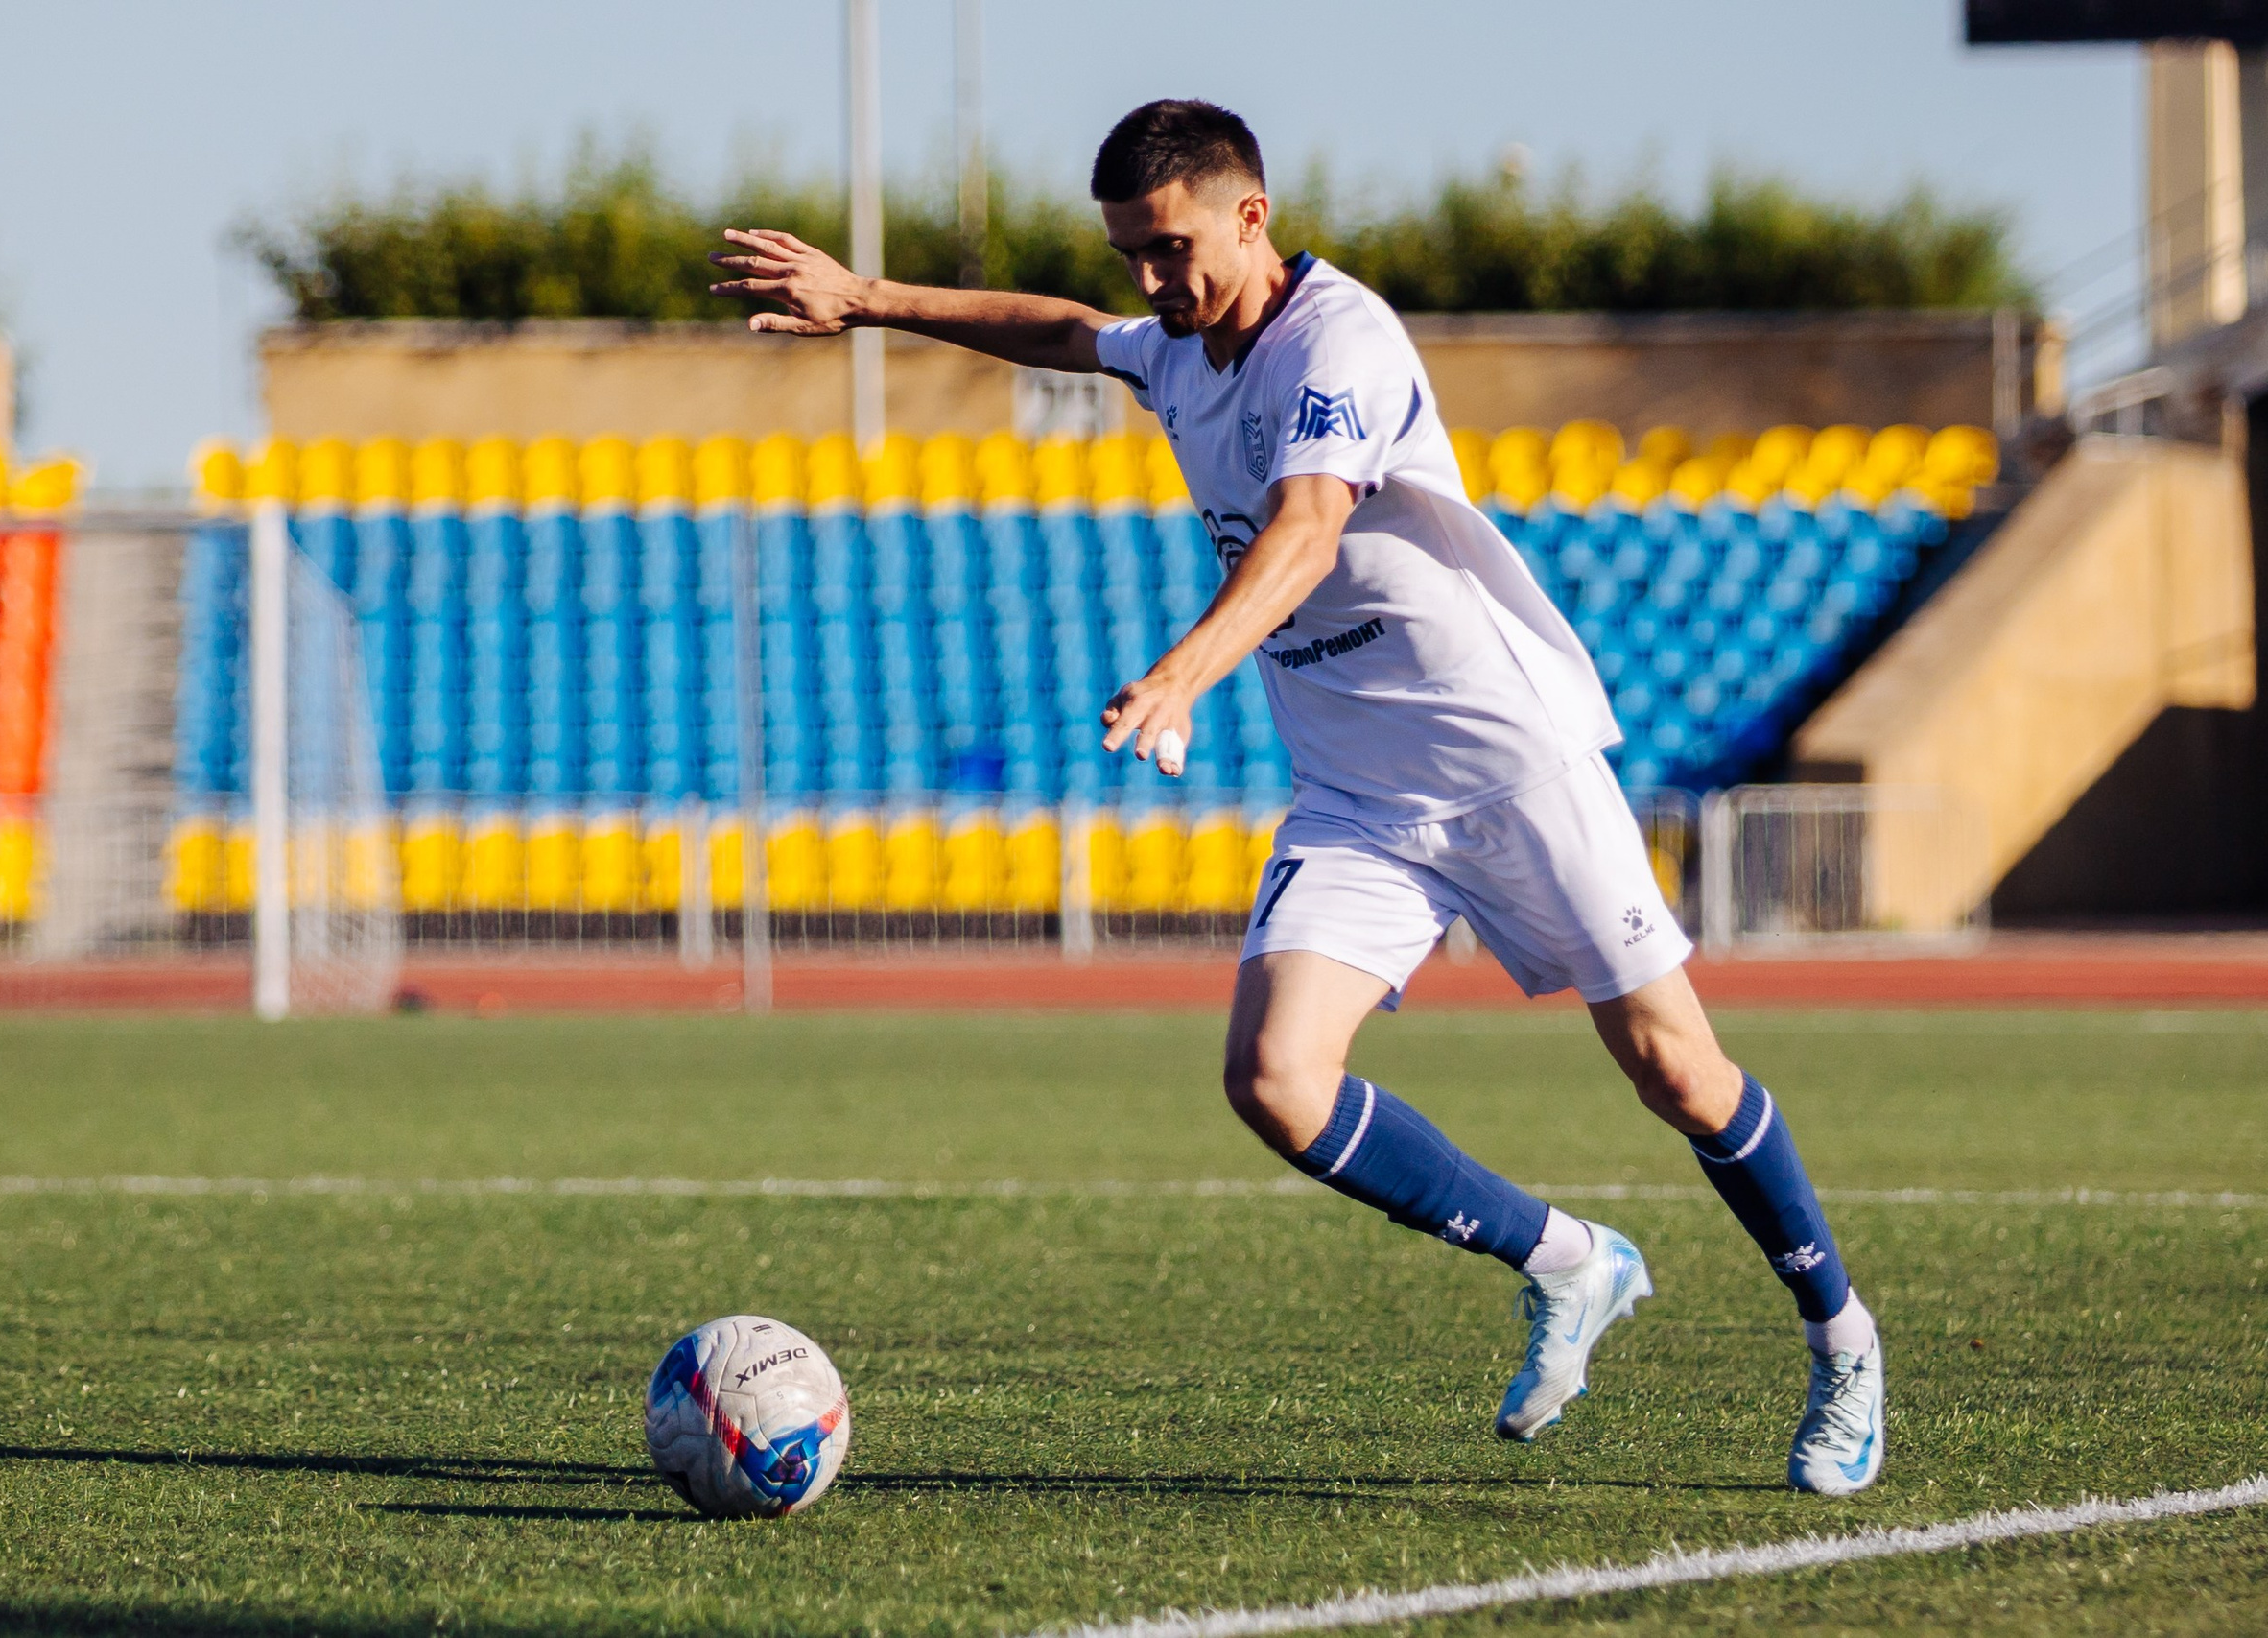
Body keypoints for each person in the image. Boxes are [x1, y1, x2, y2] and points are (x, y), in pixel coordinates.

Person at [707, 99, 1883, 1495]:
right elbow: (1066, 333)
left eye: (1173, 247)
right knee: (1274, 1081)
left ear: (1249, 215)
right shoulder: (1178, 348)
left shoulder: (1344, 340)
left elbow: (1309, 527)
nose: (1153, 280)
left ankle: (1843, 1339)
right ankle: (1569, 1260)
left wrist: (1187, 674)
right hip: (1359, 799)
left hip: (1508, 761)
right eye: (1133, 254)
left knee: (1678, 1073)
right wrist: (871, 299)